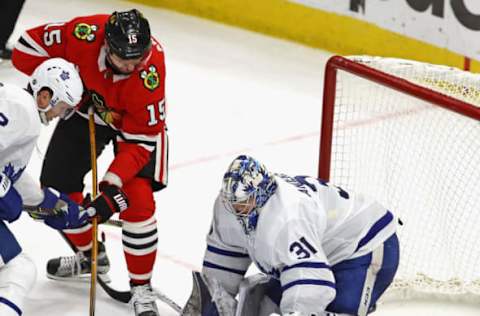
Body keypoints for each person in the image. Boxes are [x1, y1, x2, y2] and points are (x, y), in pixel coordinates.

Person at [12, 8, 168, 316]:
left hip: (135, 132)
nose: (133, 65)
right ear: (106, 47)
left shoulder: (149, 75)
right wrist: (69, 86)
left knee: (137, 201)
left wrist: (111, 187)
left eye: (139, 57)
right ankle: (90, 255)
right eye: (125, 59)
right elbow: (24, 50)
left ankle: (142, 288)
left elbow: (141, 143)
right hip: (87, 112)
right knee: (55, 187)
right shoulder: (83, 33)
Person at [182, 155, 400, 316]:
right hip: (320, 248)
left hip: (365, 245)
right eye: (233, 204)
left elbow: (312, 286)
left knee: (332, 310)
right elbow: (221, 269)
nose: (237, 212)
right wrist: (213, 303)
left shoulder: (287, 218)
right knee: (262, 305)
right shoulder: (227, 207)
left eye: (244, 204)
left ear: (261, 195)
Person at [0, 57, 122, 316]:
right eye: (62, 107)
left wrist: (52, 204)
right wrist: (5, 195)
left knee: (19, 268)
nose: (59, 115)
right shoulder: (21, 109)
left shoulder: (20, 110)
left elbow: (12, 173)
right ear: (45, 96)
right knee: (19, 270)